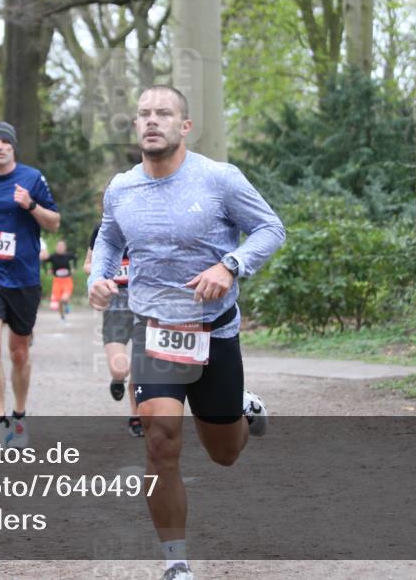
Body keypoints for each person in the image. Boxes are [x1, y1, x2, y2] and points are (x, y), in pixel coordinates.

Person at [88, 85, 285, 580]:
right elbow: (108, 238)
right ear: (136, 125)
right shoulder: (121, 188)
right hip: (155, 331)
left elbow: (270, 229)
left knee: (224, 453)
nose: (152, 121)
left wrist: (230, 265)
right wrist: (98, 278)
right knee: (160, 440)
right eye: (144, 114)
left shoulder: (219, 179)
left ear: (185, 126)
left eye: (164, 113)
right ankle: (176, 564)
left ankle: (241, 406)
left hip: (214, 331)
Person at [0, 121, 60, 448]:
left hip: (23, 277)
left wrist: (31, 205)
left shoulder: (32, 178)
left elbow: (54, 222)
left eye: (5, 142)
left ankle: (19, 417)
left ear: (13, 147)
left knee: (19, 352)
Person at [84, 222, 142, 438]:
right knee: (120, 369)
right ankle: (118, 379)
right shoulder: (102, 228)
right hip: (116, 305)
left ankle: (136, 416)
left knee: (141, 367)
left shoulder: (148, 223)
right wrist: (102, 275)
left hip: (145, 302)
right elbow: (88, 265)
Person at [46, 239, 76, 319]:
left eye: (62, 246)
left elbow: (75, 258)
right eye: (59, 246)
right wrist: (47, 270)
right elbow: (44, 261)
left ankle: (67, 304)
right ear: (56, 247)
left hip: (67, 280)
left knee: (64, 298)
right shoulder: (53, 256)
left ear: (65, 247)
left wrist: (74, 267)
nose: (60, 247)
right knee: (59, 300)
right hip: (57, 281)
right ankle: (62, 317)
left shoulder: (68, 255)